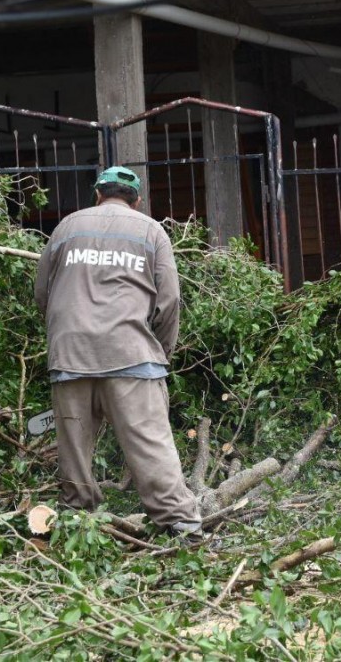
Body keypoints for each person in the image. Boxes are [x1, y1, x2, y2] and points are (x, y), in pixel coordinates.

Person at [34, 166, 202, 537]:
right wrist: (160, 351)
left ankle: (79, 523)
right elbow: (169, 300)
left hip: (71, 354)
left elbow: (42, 292)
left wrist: (65, 334)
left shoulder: (65, 228)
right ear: (137, 200)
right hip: (131, 353)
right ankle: (179, 521)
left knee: (74, 452)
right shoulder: (151, 231)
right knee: (150, 444)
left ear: (98, 194)